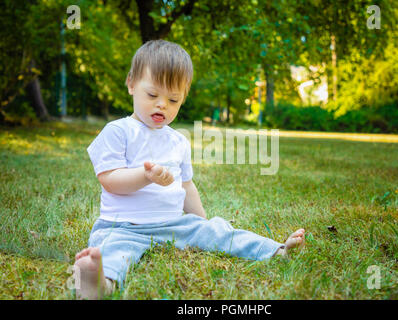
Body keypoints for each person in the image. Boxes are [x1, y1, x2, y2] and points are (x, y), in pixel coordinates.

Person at [73, 40, 306, 300]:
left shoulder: (178, 141)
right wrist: (145, 176)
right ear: (131, 84)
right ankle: (98, 283)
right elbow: (110, 180)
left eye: (173, 99)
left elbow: (186, 186)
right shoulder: (118, 131)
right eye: (152, 95)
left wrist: (201, 223)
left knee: (219, 231)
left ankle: (276, 250)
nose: (162, 104)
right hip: (123, 227)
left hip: (174, 224)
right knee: (114, 251)